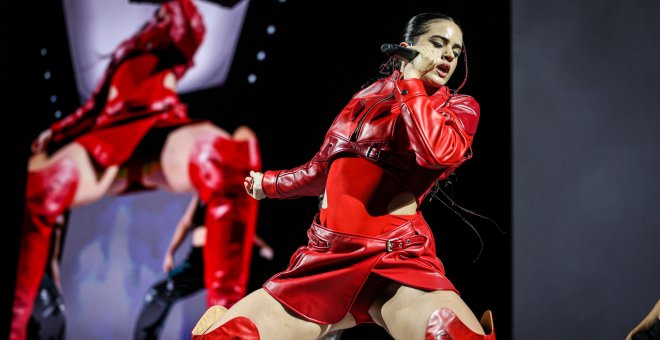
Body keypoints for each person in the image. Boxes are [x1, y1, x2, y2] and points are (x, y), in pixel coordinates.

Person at [192, 12, 496, 340]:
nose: (449, 54)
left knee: (448, 334)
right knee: (229, 336)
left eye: (456, 49)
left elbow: (436, 152)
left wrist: (411, 85)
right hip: (325, 258)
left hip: (398, 262)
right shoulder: (365, 97)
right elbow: (323, 168)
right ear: (408, 47)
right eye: (438, 44)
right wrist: (271, 184)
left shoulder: (459, 107)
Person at [10, 0, 258, 339]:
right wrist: (54, 134)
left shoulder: (176, 33)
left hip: (160, 124)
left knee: (226, 156)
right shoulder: (121, 56)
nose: (157, 15)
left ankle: (226, 331)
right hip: (107, 136)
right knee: (44, 182)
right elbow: (91, 108)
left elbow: (188, 28)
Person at [134, 195, 273, 340]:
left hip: (220, 259)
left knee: (230, 305)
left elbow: (241, 226)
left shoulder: (231, 192)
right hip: (198, 260)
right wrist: (170, 252)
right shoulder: (202, 193)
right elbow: (186, 223)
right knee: (158, 293)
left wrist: (262, 246)